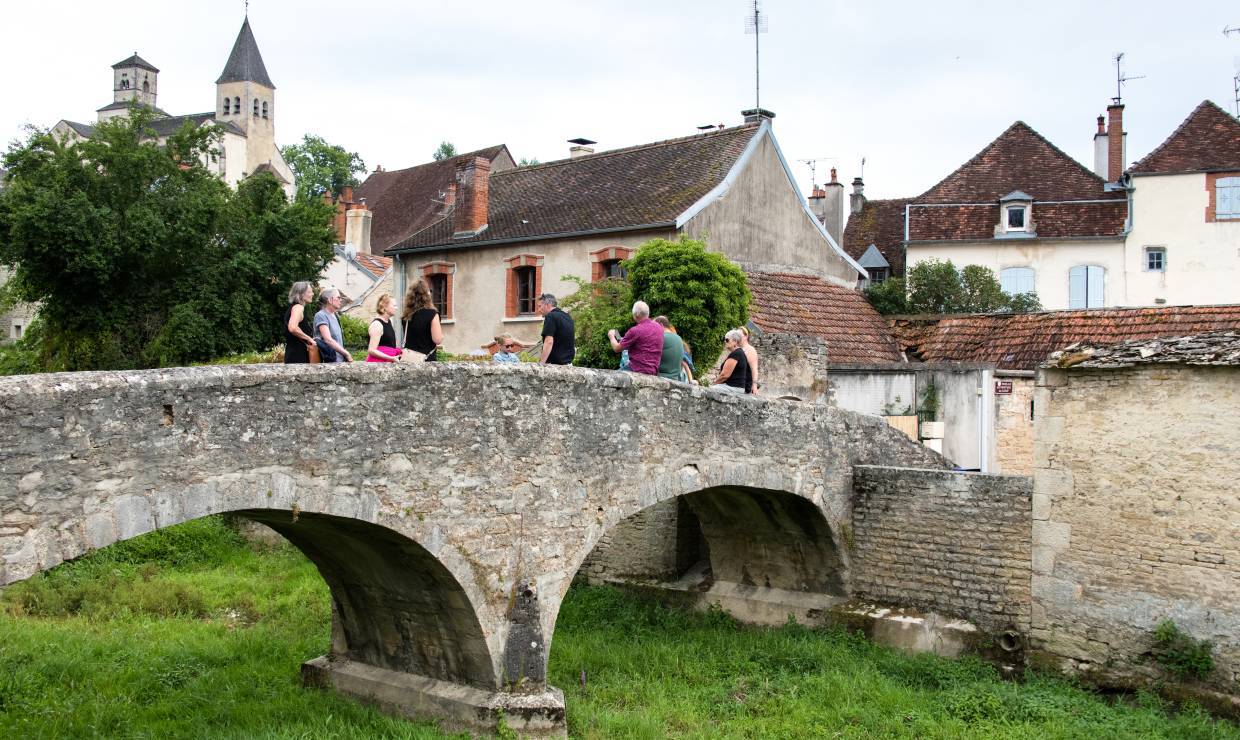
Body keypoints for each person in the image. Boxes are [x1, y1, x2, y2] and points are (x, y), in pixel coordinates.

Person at [608, 301, 663, 375]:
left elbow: (617, 349)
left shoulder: (635, 330)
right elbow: (638, 342)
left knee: (612, 376)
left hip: (637, 369)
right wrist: (618, 337)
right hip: (653, 370)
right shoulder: (658, 327)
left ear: (636, 314)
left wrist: (611, 336)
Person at [401, 279, 443, 361]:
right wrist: (442, 336)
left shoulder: (406, 316)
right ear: (427, 295)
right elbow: (437, 340)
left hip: (408, 360)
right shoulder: (432, 314)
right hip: (426, 360)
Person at [313, 288, 352, 363]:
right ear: (330, 300)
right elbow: (328, 340)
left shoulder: (336, 315)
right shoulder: (321, 315)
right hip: (328, 361)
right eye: (338, 297)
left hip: (339, 361)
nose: (340, 300)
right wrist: (346, 353)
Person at [283, 281, 316, 364]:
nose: (312, 294)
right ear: (301, 294)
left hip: (293, 353)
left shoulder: (293, 307)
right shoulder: (298, 307)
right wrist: (309, 339)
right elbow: (293, 328)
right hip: (298, 356)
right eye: (309, 292)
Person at [536, 293, 575, 364]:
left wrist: (541, 364)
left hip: (555, 365)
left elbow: (549, 341)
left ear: (547, 305)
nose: (538, 310)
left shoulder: (551, 316)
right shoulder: (567, 317)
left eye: (539, 306)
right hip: (568, 364)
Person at [712, 329, 751, 394]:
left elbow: (724, 375)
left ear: (735, 341)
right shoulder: (739, 353)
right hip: (735, 387)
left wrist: (714, 383)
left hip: (733, 387)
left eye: (727, 340)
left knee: (709, 390)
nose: (725, 342)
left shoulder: (736, 354)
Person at [365, 293, 401, 362]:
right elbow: (371, 350)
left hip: (385, 363)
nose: (396, 308)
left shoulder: (389, 321)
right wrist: (391, 358)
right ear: (385, 306)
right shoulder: (377, 325)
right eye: (394, 305)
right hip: (377, 364)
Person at [653, 316, 686, 382]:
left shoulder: (661, 337)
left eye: (654, 327)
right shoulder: (679, 338)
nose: (653, 330)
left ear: (661, 325)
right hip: (675, 379)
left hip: (660, 378)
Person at [739, 325, 760, 394]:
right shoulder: (737, 349)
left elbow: (754, 369)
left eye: (739, 335)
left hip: (745, 385)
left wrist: (754, 385)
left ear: (746, 336)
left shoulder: (750, 350)